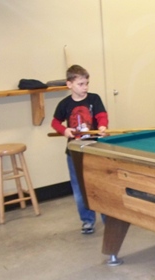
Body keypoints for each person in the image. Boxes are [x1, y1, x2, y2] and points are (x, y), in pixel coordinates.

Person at [51, 65, 108, 234]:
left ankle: (108, 217)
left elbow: (101, 116)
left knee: (100, 184)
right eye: (81, 84)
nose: (85, 87)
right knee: (79, 187)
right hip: (74, 152)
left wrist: (103, 127)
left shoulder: (94, 99)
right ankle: (87, 220)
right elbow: (55, 123)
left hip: (95, 149)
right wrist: (64, 130)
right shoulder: (65, 104)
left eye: (87, 83)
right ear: (69, 85)